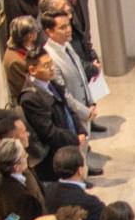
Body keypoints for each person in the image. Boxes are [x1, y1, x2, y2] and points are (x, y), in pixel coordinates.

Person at [19, 48, 85, 182]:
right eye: (46, 66)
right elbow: (49, 132)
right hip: (55, 155)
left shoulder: (52, 83)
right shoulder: (30, 98)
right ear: (32, 70)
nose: (51, 68)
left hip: (69, 142)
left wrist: (80, 129)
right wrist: (74, 138)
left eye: (51, 64)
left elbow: (68, 108)